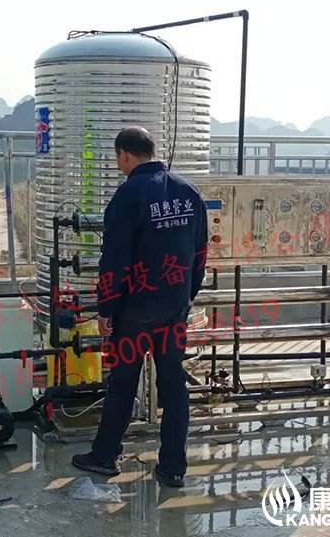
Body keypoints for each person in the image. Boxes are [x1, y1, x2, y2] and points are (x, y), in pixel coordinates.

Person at [71, 126, 208, 487]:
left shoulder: (128, 195)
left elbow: (114, 259)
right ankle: (173, 467)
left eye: (117, 157)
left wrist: (106, 308)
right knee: (174, 385)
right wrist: (187, 295)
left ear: (125, 155)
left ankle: (105, 456)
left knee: (123, 382)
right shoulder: (187, 191)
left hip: (135, 311)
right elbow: (200, 252)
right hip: (174, 308)